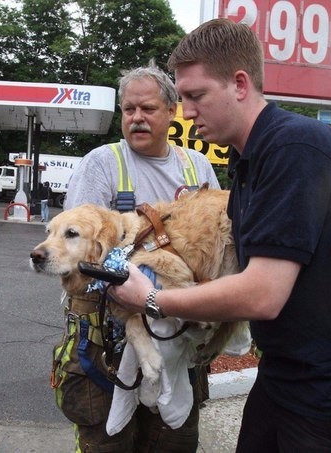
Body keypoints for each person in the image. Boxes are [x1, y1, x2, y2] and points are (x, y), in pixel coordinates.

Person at [110, 19, 331, 452]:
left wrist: (151, 299)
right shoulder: (248, 162)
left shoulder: (296, 148)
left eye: (197, 96)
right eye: (182, 99)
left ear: (239, 83)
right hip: (287, 379)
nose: (187, 111)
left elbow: (262, 294)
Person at [60, 61, 221, 452]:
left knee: (173, 442)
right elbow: (75, 256)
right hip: (107, 345)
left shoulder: (196, 166)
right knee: (107, 441)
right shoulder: (103, 163)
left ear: (171, 112)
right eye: (129, 110)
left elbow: (220, 241)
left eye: (147, 109)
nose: (137, 118)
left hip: (179, 338)